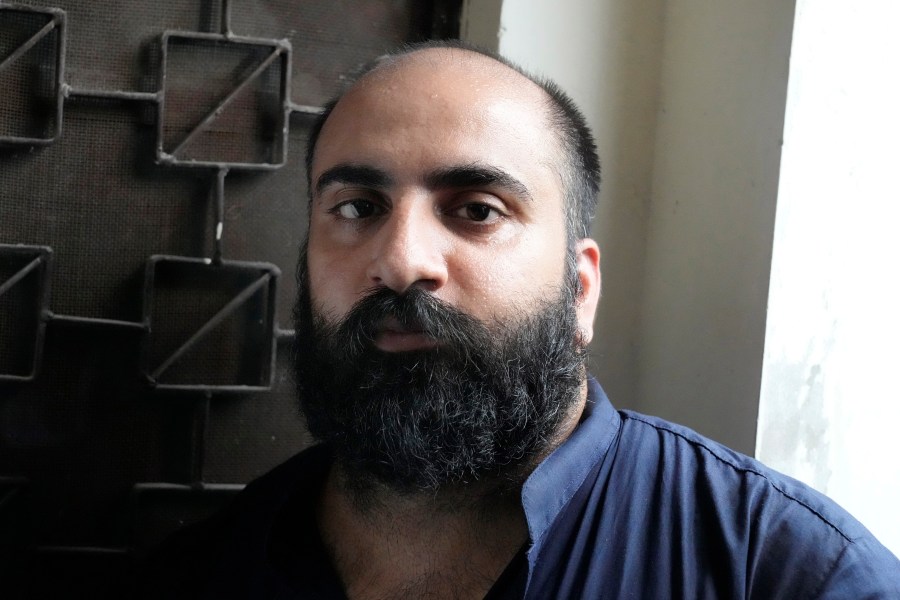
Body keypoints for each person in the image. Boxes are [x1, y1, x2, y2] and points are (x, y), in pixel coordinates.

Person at [142, 40, 900, 599]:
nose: (402, 260)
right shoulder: (204, 573)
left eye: (477, 210)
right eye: (356, 208)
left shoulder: (787, 574)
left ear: (580, 288)